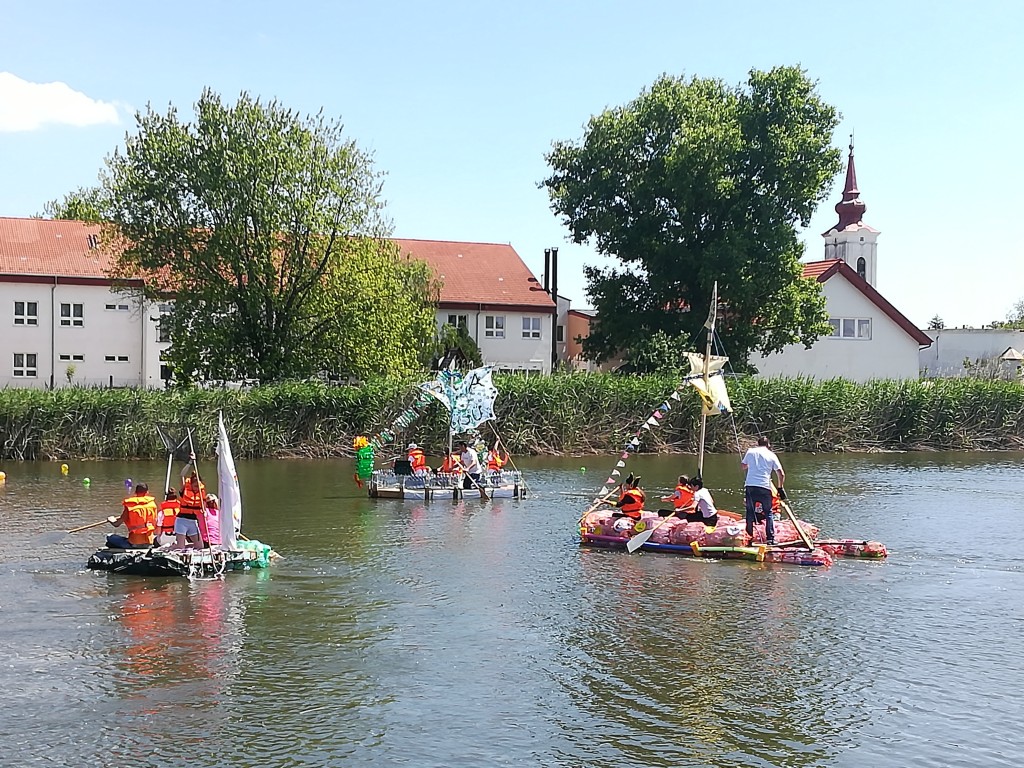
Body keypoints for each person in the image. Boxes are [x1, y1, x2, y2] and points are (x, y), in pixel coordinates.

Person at [742, 436, 786, 544]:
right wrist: (780, 488)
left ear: (758, 443)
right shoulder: (772, 455)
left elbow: (743, 466)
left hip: (750, 486)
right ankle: (770, 539)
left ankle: (749, 538)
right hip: (764, 487)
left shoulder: (750, 451)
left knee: (750, 513)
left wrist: (750, 465)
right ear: (768, 445)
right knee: (768, 513)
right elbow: (781, 473)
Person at [106, 482, 158, 549]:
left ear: (135, 492)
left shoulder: (130, 506)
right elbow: (155, 523)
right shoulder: (152, 505)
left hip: (134, 544)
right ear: (147, 492)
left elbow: (117, 524)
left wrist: (111, 520)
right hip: (149, 542)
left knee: (109, 536)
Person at [176, 458, 207, 549]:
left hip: (193, 522)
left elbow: (203, 507)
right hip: (181, 521)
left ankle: (177, 546)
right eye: (195, 486)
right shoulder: (185, 488)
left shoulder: (201, 493)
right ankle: (173, 547)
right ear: (191, 485)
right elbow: (182, 474)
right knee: (180, 548)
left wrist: (204, 511)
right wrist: (190, 462)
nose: (197, 488)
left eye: (198, 486)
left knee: (200, 547)